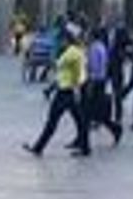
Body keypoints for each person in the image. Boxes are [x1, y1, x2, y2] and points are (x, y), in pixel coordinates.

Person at [24, 25, 90, 156]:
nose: (60, 42)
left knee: (53, 121)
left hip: (66, 91)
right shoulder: (73, 51)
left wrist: (76, 87)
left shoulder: (73, 52)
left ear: (67, 39)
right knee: (80, 120)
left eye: (62, 39)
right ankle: (85, 148)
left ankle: (38, 148)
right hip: (68, 90)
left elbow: (77, 72)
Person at [85, 27, 122, 145]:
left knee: (90, 112)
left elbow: (94, 69)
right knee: (95, 112)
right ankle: (81, 140)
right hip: (100, 81)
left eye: (88, 35)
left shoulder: (94, 49)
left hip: (95, 83)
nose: (86, 37)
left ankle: (115, 129)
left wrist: (90, 83)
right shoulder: (102, 47)